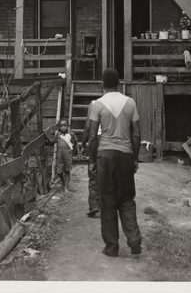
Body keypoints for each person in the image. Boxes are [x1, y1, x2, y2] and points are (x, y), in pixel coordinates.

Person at [88, 68, 142, 257]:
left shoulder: (98, 104)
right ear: (119, 83)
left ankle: (112, 247)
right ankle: (134, 238)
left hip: (106, 156)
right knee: (127, 198)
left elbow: (93, 137)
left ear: (102, 85)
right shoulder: (130, 102)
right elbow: (136, 133)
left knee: (108, 200)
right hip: (125, 155)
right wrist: (135, 158)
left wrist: (92, 160)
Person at [81, 98, 101, 217]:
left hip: (97, 140)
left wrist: (83, 144)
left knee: (93, 173)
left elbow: (88, 127)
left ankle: (94, 205)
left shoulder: (94, 104)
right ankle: (108, 206)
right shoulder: (118, 103)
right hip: (111, 141)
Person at [52, 118, 80, 193]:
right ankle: (63, 181)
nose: (63, 127)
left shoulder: (71, 134)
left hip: (68, 155)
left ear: (68, 126)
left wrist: (78, 153)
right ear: (59, 127)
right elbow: (53, 141)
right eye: (61, 126)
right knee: (59, 172)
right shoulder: (58, 134)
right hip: (59, 156)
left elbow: (76, 143)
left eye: (65, 125)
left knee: (67, 171)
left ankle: (66, 188)